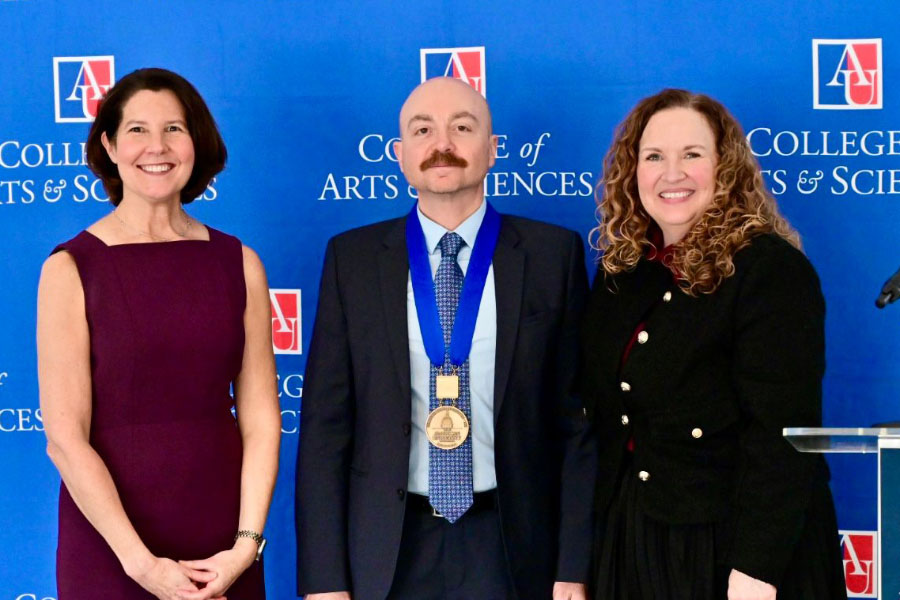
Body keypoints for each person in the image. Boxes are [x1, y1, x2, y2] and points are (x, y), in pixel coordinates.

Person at [295, 76, 597, 600]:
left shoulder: (553, 256)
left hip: (512, 542)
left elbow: (576, 425)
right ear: (400, 153)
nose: (443, 144)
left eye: (462, 127)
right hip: (388, 548)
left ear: (493, 148)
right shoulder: (354, 261)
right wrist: (324, 581)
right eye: (422, 129)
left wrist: (573, 565)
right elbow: (325, 430)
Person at [583, 88, 846, 600]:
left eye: (692, 155)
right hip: (633, 536)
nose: (671, 173)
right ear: (632, 171)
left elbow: (782, 436)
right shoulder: (620, 272)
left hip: (732, 546)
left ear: (725, 169)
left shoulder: (769, 271)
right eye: (654, 156)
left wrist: (756, 569)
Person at [37, 68, 281, 600]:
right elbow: (64, 438)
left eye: (175, 128)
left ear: (198, 142)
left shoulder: (239, 263)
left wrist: (245, 547)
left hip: (223, 549)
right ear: (109, 144)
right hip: (111, 548)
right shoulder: (71, 269)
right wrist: (142, 566)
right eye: (137, 131)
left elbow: (262, 418)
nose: (158, 146)